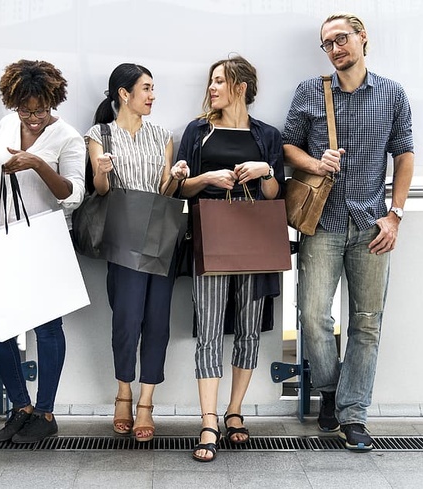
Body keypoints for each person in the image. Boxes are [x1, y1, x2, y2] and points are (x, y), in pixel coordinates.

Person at [282, 12, 414, 451]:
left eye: (342, 39)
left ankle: (352, 415)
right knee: (314, 316)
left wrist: (395, 214)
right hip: (321, 222)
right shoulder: (309, 92)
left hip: (372, 223)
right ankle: (330, 390)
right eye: (328, 43)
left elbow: (404, 155)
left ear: (362, 39)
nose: (336, 48)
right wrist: (316, 163)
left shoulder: (392, 94)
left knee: (367, 322)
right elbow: (287, 146)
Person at [0, 59, 86, 444]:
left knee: (47, 328)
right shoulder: (7, 124)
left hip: (45, 243)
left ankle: (46, 412)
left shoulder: (68, 137)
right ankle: (22, 407)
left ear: (53, 101)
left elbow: (74, 194)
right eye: (25, 110)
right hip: (5, 239)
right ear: (13, 103)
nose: (32, 118)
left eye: (40, 110)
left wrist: (36, 163)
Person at [176, 55, 285, 462]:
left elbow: (276, 196)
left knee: (249, 329)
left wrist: (265, 171)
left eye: (220, 81)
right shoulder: (197, 131)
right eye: (211, 81)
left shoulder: (267, 135)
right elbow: (180, 189)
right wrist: (206, 179)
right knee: (208, 329)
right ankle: (208, 420)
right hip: (210, 239)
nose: (212, 88)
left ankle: (234, 411)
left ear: (241, 87)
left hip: (256, 241)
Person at [85, 63, 188, 443]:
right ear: (123, 94)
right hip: (123, 234)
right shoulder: (100, 134)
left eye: (153, 88)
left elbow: (165, 192)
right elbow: (100, 190)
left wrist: (176, 175)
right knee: (126, 318)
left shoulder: (162, 134)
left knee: (157, 320)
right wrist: (102, 170)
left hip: (160, 234)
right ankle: (123, 394)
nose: (152, 95)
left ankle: (147, 401)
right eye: (146, 88)